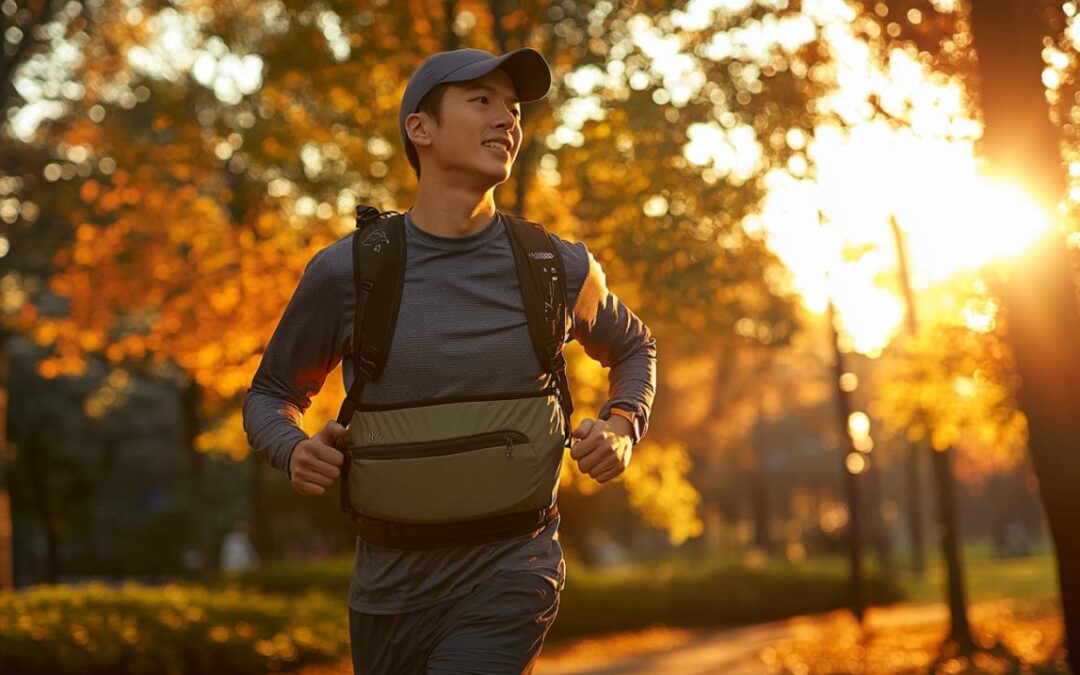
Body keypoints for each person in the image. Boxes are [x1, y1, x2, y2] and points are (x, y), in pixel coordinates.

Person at [242, 47, 656, 674]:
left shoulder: (555, 266)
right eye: (482, 101)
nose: (507, 121)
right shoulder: (350, 272)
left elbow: (633, 346)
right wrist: (292, 447)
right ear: (421, 129)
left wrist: (623, 426)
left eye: (514, 109)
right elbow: (270, 392)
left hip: (514, 570)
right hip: (389, 590)